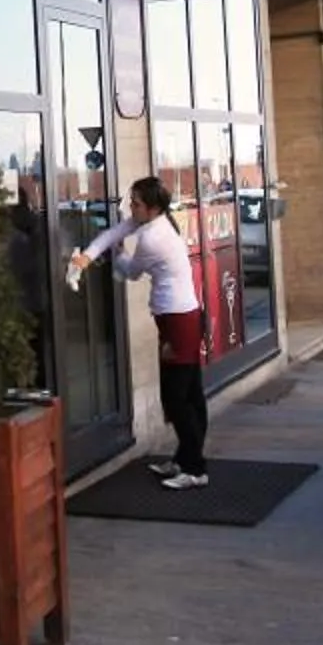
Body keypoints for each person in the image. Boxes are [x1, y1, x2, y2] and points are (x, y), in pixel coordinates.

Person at [71, 177, 211, 489]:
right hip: (177, 318)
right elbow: (114, 232)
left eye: (135, 203)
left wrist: (117, 255)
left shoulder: (154, 238)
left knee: (177, 399)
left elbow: (131, 272)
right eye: (130, 201)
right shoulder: (152, 223)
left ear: (153, 207)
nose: (130, 208)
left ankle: (195, 468)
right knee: (189, 394)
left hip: (180, 321)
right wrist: (88, 256)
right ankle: (186, 459)